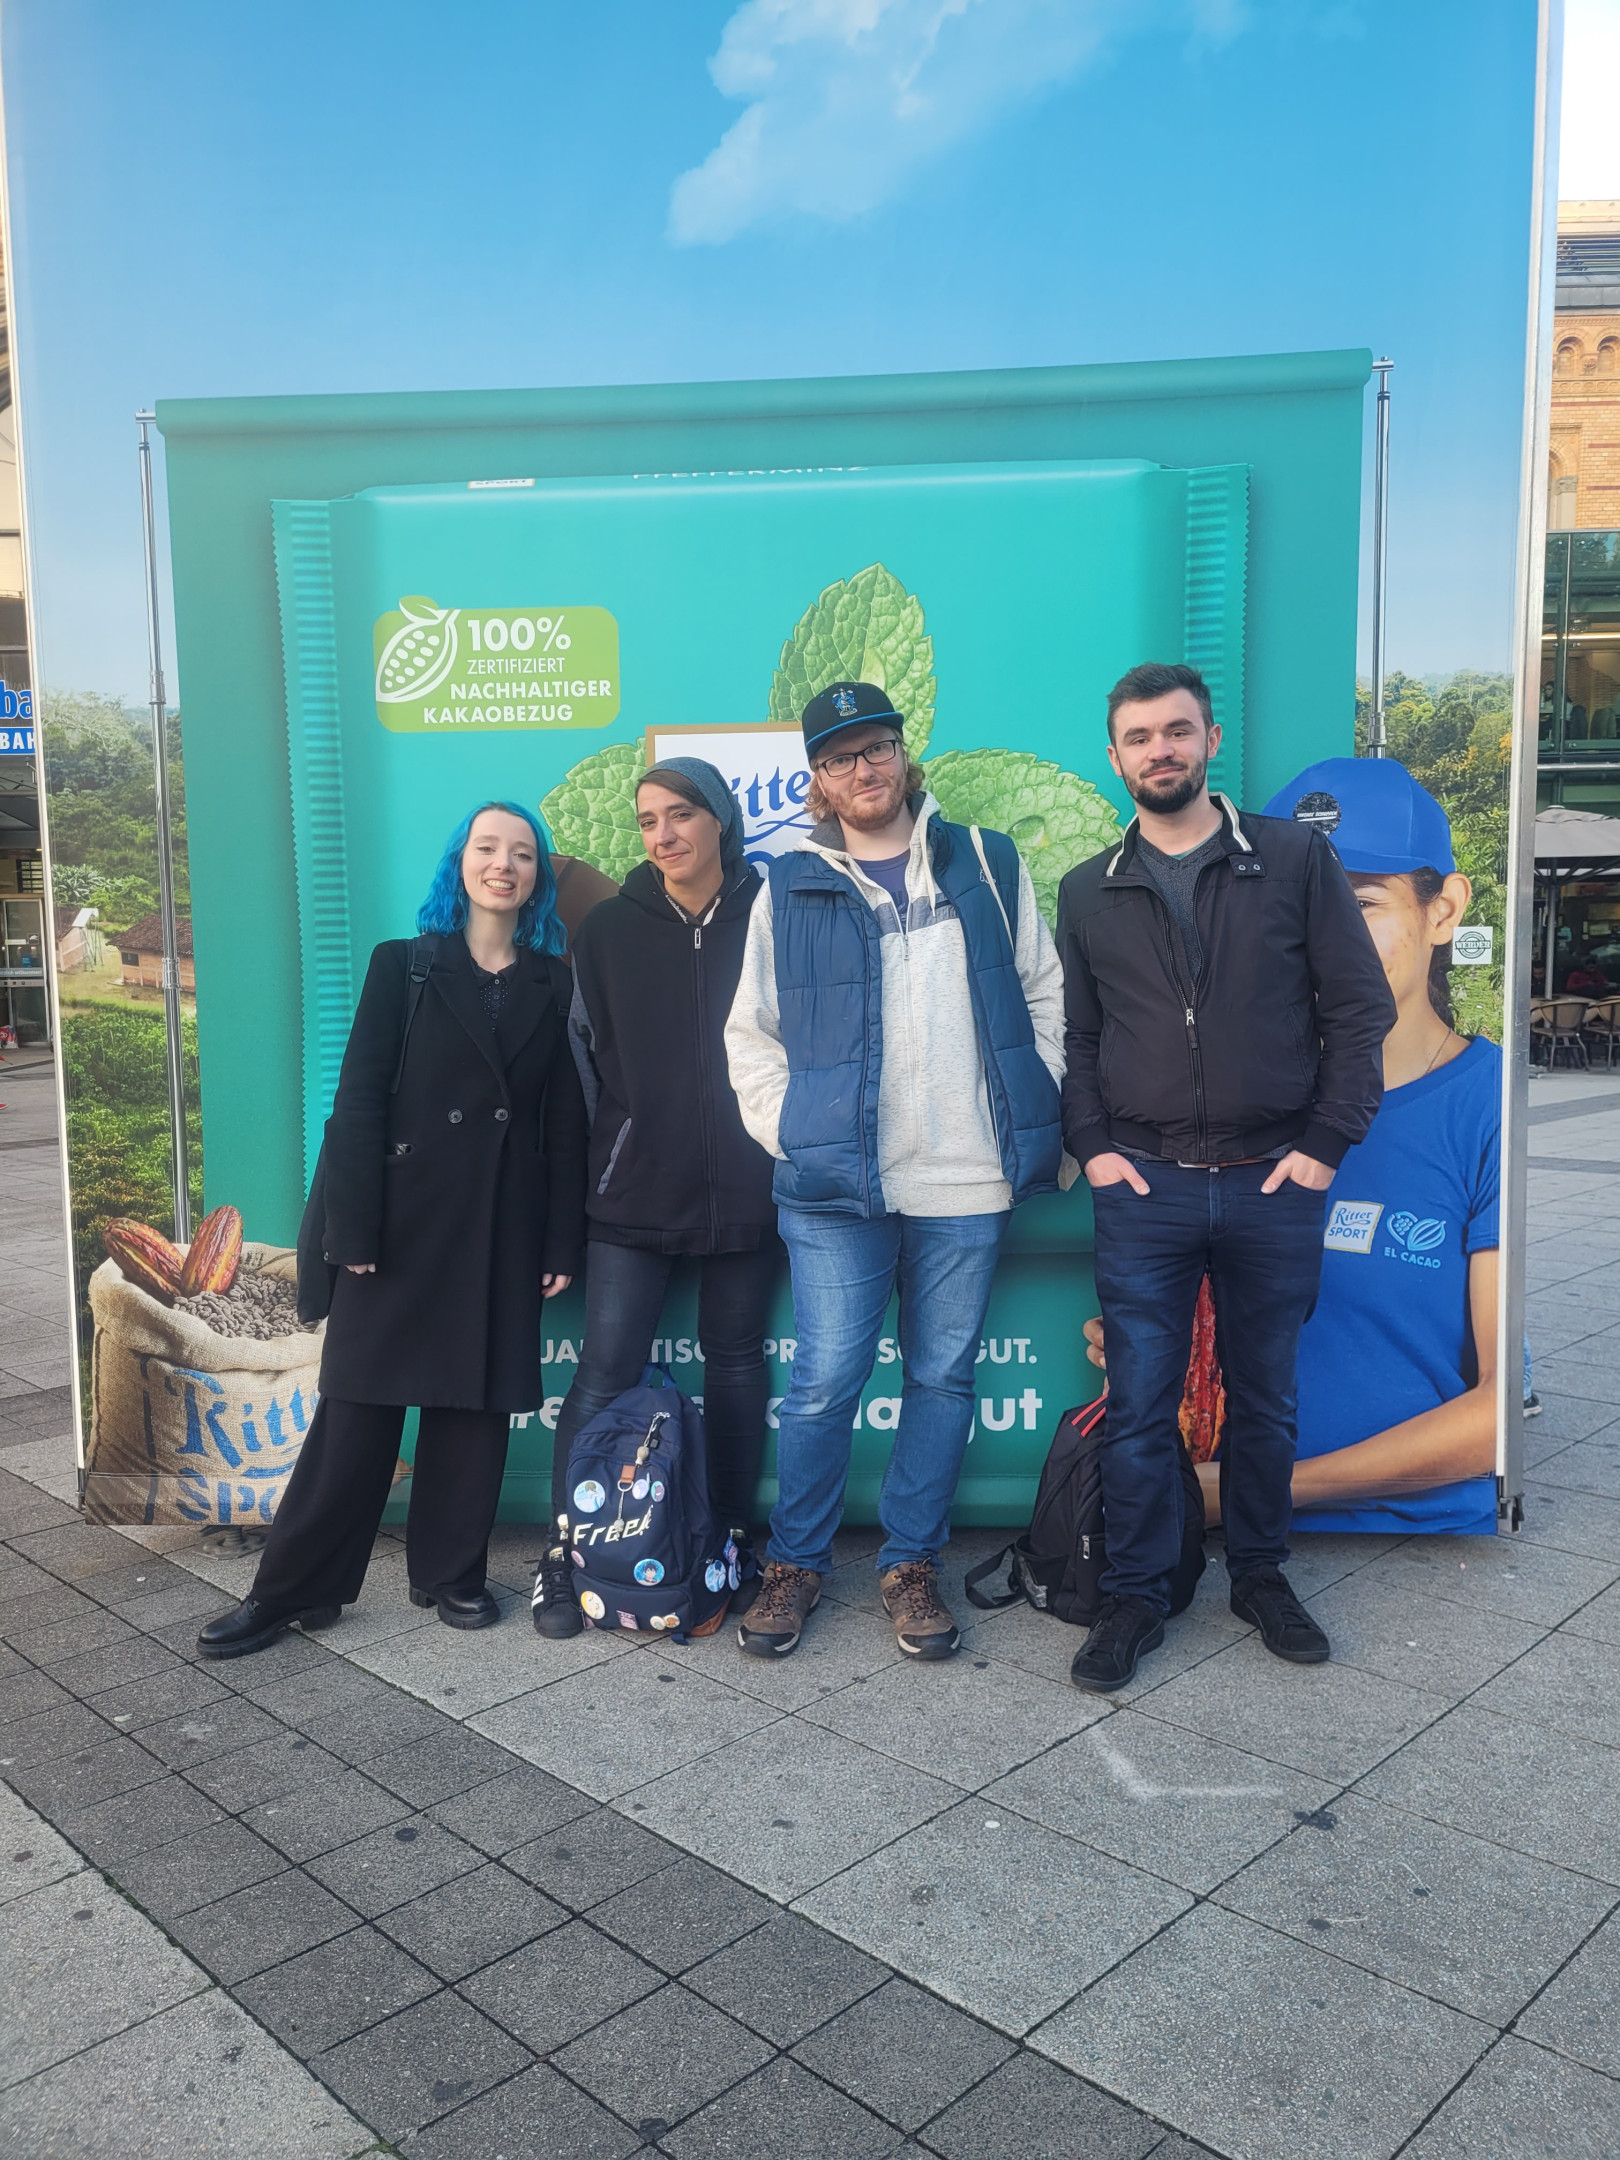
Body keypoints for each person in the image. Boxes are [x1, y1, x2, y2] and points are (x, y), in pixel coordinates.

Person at [1056, 663, 1394, 1692]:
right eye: (1139, 737)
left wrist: (1327, 1142)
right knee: (1140, 1404)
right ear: (1114, 758)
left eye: (1176, 731)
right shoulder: (1087, 887)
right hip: (1145, 1188)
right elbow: (1080, 1037)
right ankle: (1134, 1595)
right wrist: (1094, 1145)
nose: (1159, 750)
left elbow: (1358, 1010)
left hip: (1271, 1183)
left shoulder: (1293, 858)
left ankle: (1260, 1574)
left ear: (1208, 739)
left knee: (1266, 1399)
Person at [724, 680, 1065, 1663]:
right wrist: (793, 1131)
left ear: (903, 755)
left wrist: (1035, 1095)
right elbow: (751, 1034)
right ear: (818, 780)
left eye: (876, 748)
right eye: (839, 758)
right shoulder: (788, 885)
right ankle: (796, 1562)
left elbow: (1045, 992)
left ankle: (911, 1563)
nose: (862, 769)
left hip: (968, 1178)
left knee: (942, 1377)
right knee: (825, 1380)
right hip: (836, 1186)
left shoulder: (987, 860)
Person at [199, 803, 586, 1658]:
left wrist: (561, 1239)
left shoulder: (552, 982)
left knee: (474, 1408)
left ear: (537, 878)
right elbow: (359, 1103)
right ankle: (292, 1590)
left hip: (500, 1224)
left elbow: (562, 1123)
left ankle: (449, 1574)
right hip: (397, 1227)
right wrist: (354, 1231)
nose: (504, 864)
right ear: (461, 863)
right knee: (356, 1418)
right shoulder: (402, 964)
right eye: (488, 848)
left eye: (523, 854)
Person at [1084, 759, 1504, 1535]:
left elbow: (1497, 1414)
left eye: (1360, 903)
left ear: (1444, 910)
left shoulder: (1489, 1105)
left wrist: (1255, 1491)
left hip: (1413, 1551)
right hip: (1206, 1549)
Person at [530, 757, 781, 1638]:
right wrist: (604, 1165)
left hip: (751, 1185)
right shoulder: (607, 930)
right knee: (606, 1367)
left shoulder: (775, 914)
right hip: (632, 1193)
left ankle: (728, 1540)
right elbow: (580, 1065)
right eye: (647, 821)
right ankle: (568, 1552)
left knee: (736, 1362)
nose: (664, 835)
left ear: (721, 820)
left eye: (680, 814)